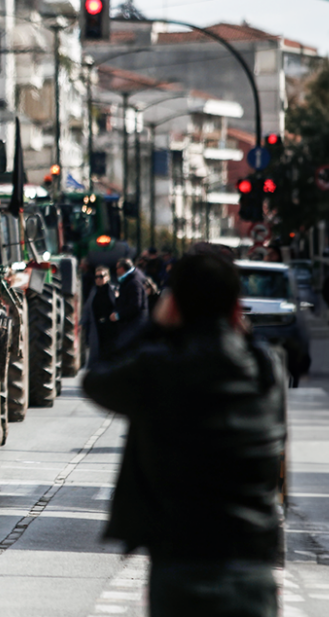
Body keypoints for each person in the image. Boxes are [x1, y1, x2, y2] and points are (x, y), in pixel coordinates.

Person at [83, 251, 285, 617]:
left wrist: (156, 326)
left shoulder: (158, 368)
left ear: (173, 306)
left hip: (180, 565)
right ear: (237, 310)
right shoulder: (264, 370)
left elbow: (97, 377)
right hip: (252, 567)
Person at [110, 257, 148, 350]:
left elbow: (135, 305)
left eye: (117, 268)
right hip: (130, 324)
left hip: (134, 325)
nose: (116, 271)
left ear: (122, 269)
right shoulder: (128, 280)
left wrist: (118, 315)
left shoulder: (134, 282)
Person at [84, 265, 118, 363]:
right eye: (96, 277)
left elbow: (119, 305)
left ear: (107, 277)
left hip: (111, 326)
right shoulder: (93, 292)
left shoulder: (113, 290)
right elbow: (88, 307)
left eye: (101, 276)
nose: (98, 279)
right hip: (97, 326)